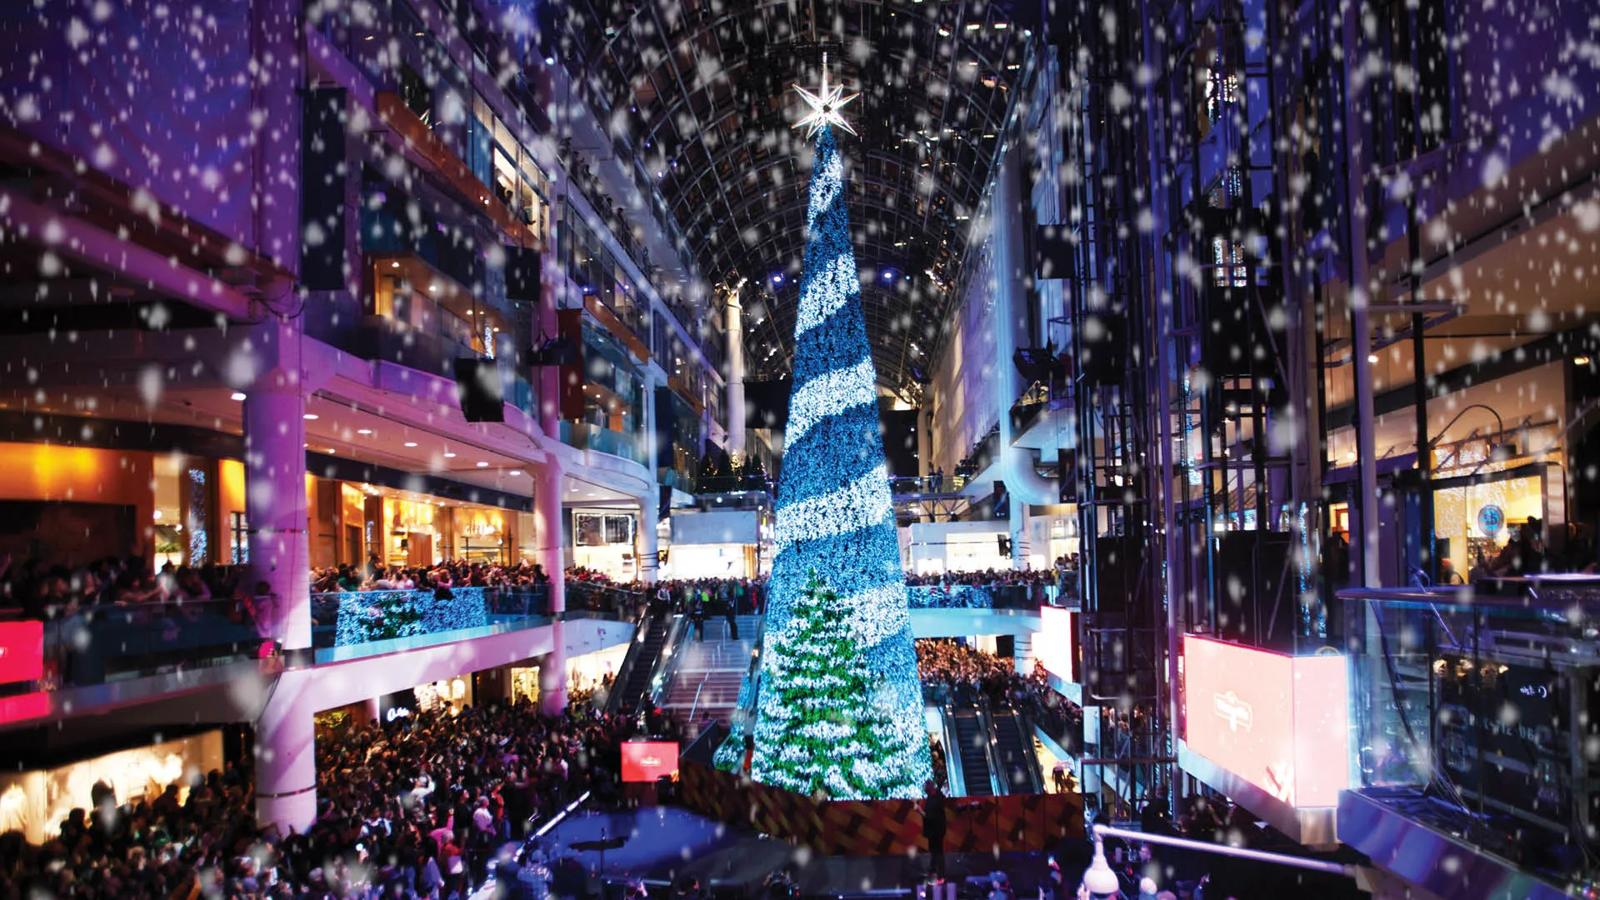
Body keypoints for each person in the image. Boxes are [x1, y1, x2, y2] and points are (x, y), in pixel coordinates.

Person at [921, 779, 948, 880]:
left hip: (936, 830)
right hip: (933, 830)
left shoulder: (936, 799)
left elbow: (930, 816)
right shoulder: (932, 797)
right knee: (934, 852)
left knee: (937, 852)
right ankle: (934, 872)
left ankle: (940, 875)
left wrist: (920, 811)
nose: (924, 789)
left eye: (925, 787)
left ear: (930, 788)